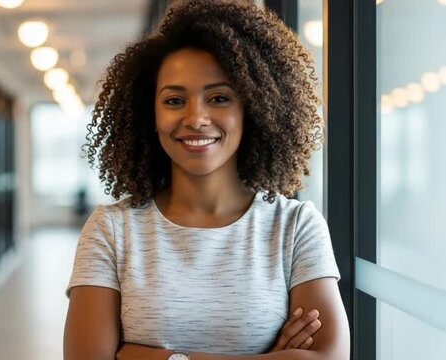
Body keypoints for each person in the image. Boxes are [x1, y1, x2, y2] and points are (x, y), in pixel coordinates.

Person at [64, 0, 350, 359]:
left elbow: (328, 357)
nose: (196, 117)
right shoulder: (111, 230)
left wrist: (162, 358)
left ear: (253, 108)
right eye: (174, 100)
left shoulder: (295, 227)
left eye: (218, 98)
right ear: (149, 113)